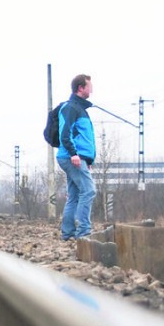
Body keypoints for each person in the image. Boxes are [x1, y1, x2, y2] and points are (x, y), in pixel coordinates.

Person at [56, 74, 96, 240]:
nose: (92, 88)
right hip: (72, 157)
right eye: (89, 85)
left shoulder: (80, 109)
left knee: (74, 196)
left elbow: (83, 138)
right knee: (89, 191)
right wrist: (74, 154)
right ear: (81, 87)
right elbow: (64, 134)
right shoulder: (71, 108)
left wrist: (88, 160)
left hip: (78, 158)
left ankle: (68, 234)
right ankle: (83, 232)